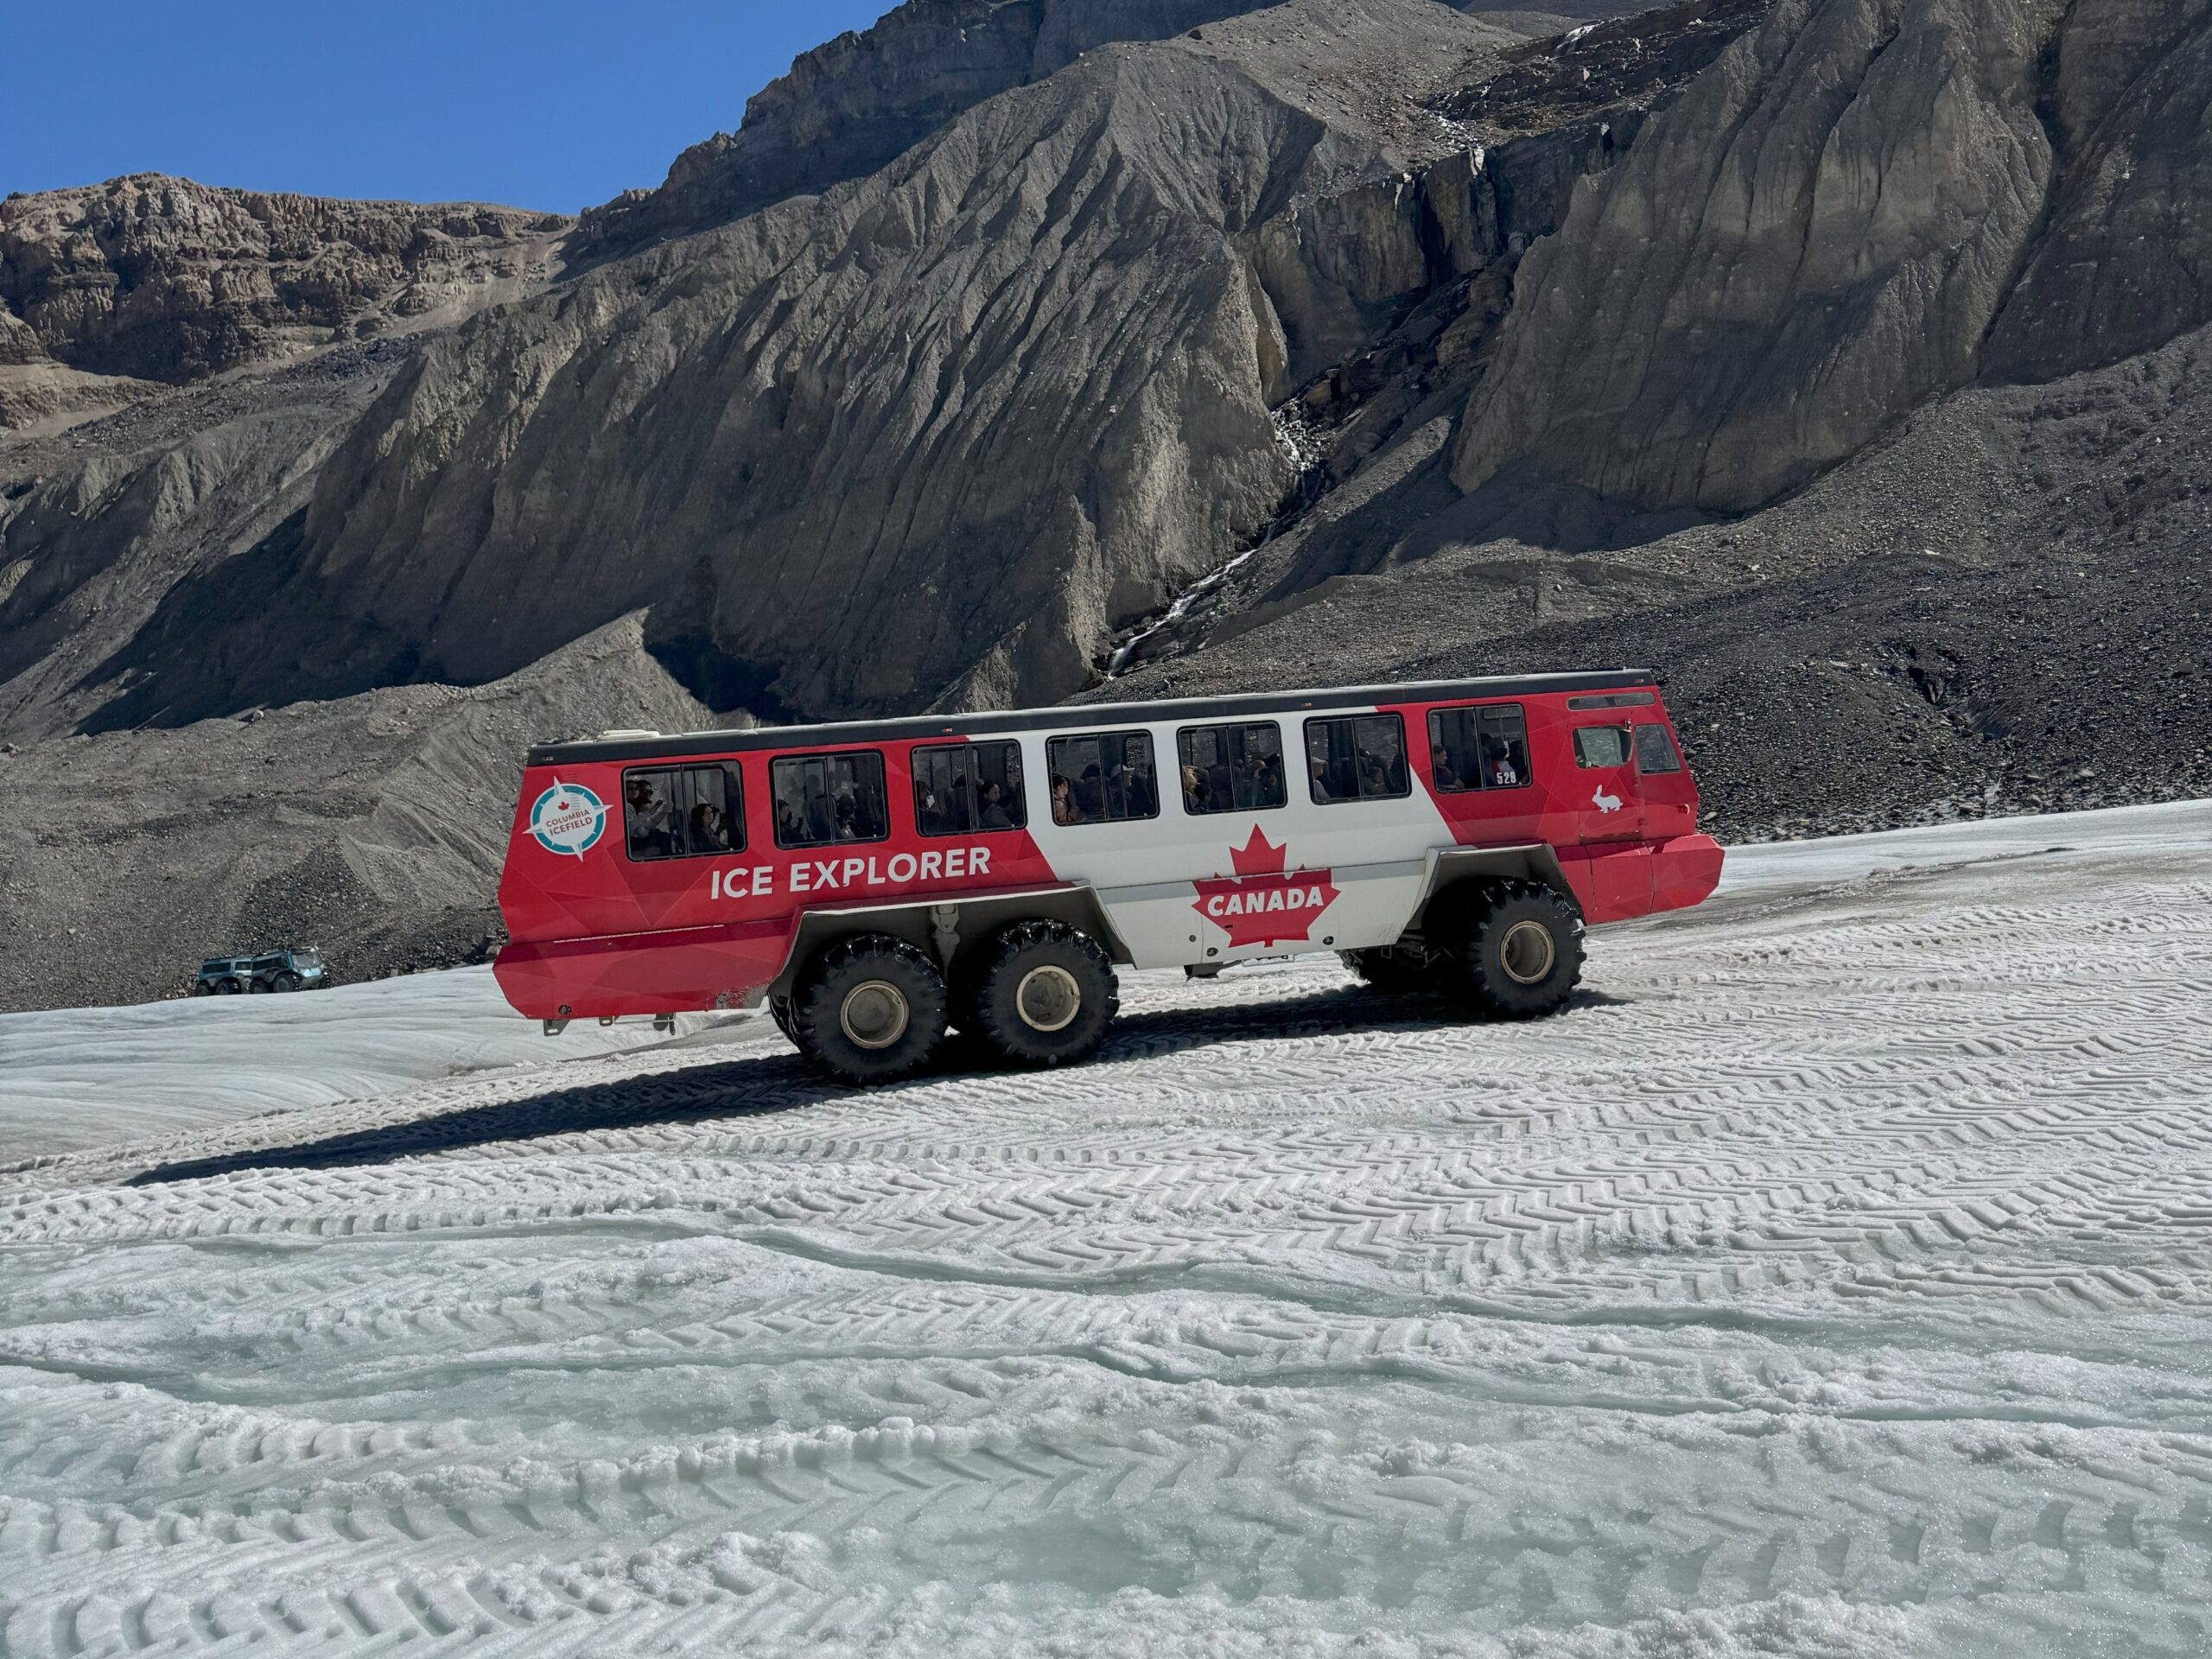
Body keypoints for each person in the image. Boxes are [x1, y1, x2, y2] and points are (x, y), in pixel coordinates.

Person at [626, 775, 673, 857]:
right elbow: (629, 827)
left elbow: (651, 824)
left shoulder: (636, 808)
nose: (634, 791)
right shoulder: (625, 807)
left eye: (636, 789)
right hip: (635, 844)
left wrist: (664, 812)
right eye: (630, 789)